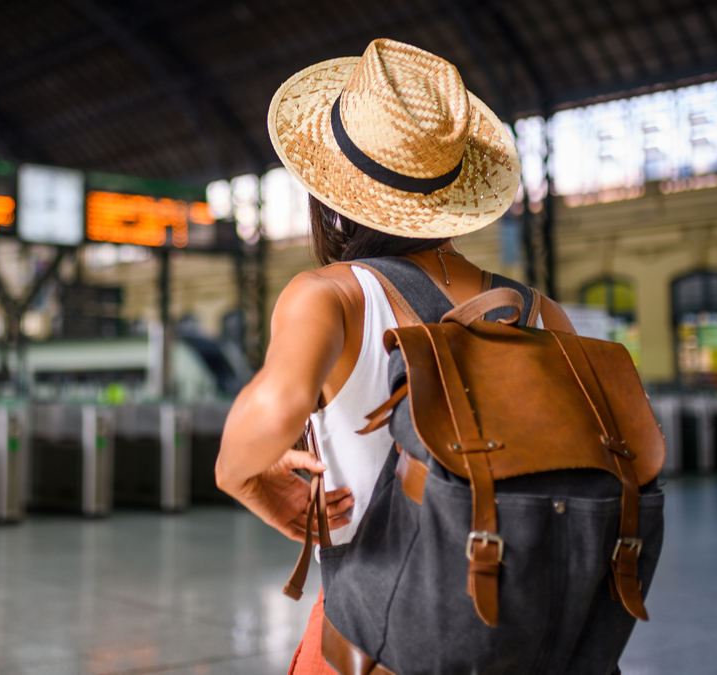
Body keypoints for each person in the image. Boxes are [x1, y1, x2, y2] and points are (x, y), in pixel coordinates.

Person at [215, 39, 525, 673]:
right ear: (450, 196)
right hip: (528, 629)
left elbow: (275, 408)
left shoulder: (331, 294)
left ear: (329, 192)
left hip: (381, 631)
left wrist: (241, 475)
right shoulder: (538, 311)